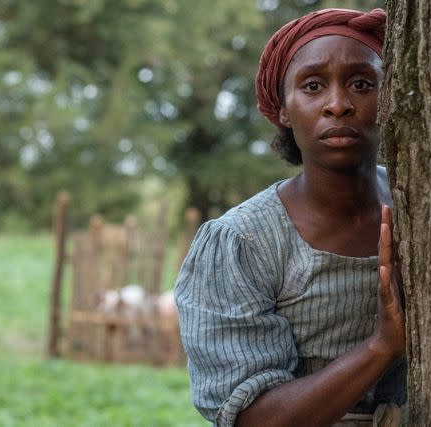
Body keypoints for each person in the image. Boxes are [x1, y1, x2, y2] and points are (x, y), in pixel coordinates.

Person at [174, 8, 407, 427]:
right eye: (313, 86)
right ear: (283, 109)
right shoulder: (242, 243)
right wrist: (380, 347)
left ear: (387, 98)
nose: (338, 105)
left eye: (361, 84)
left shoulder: (417, 206)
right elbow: (251, 419)